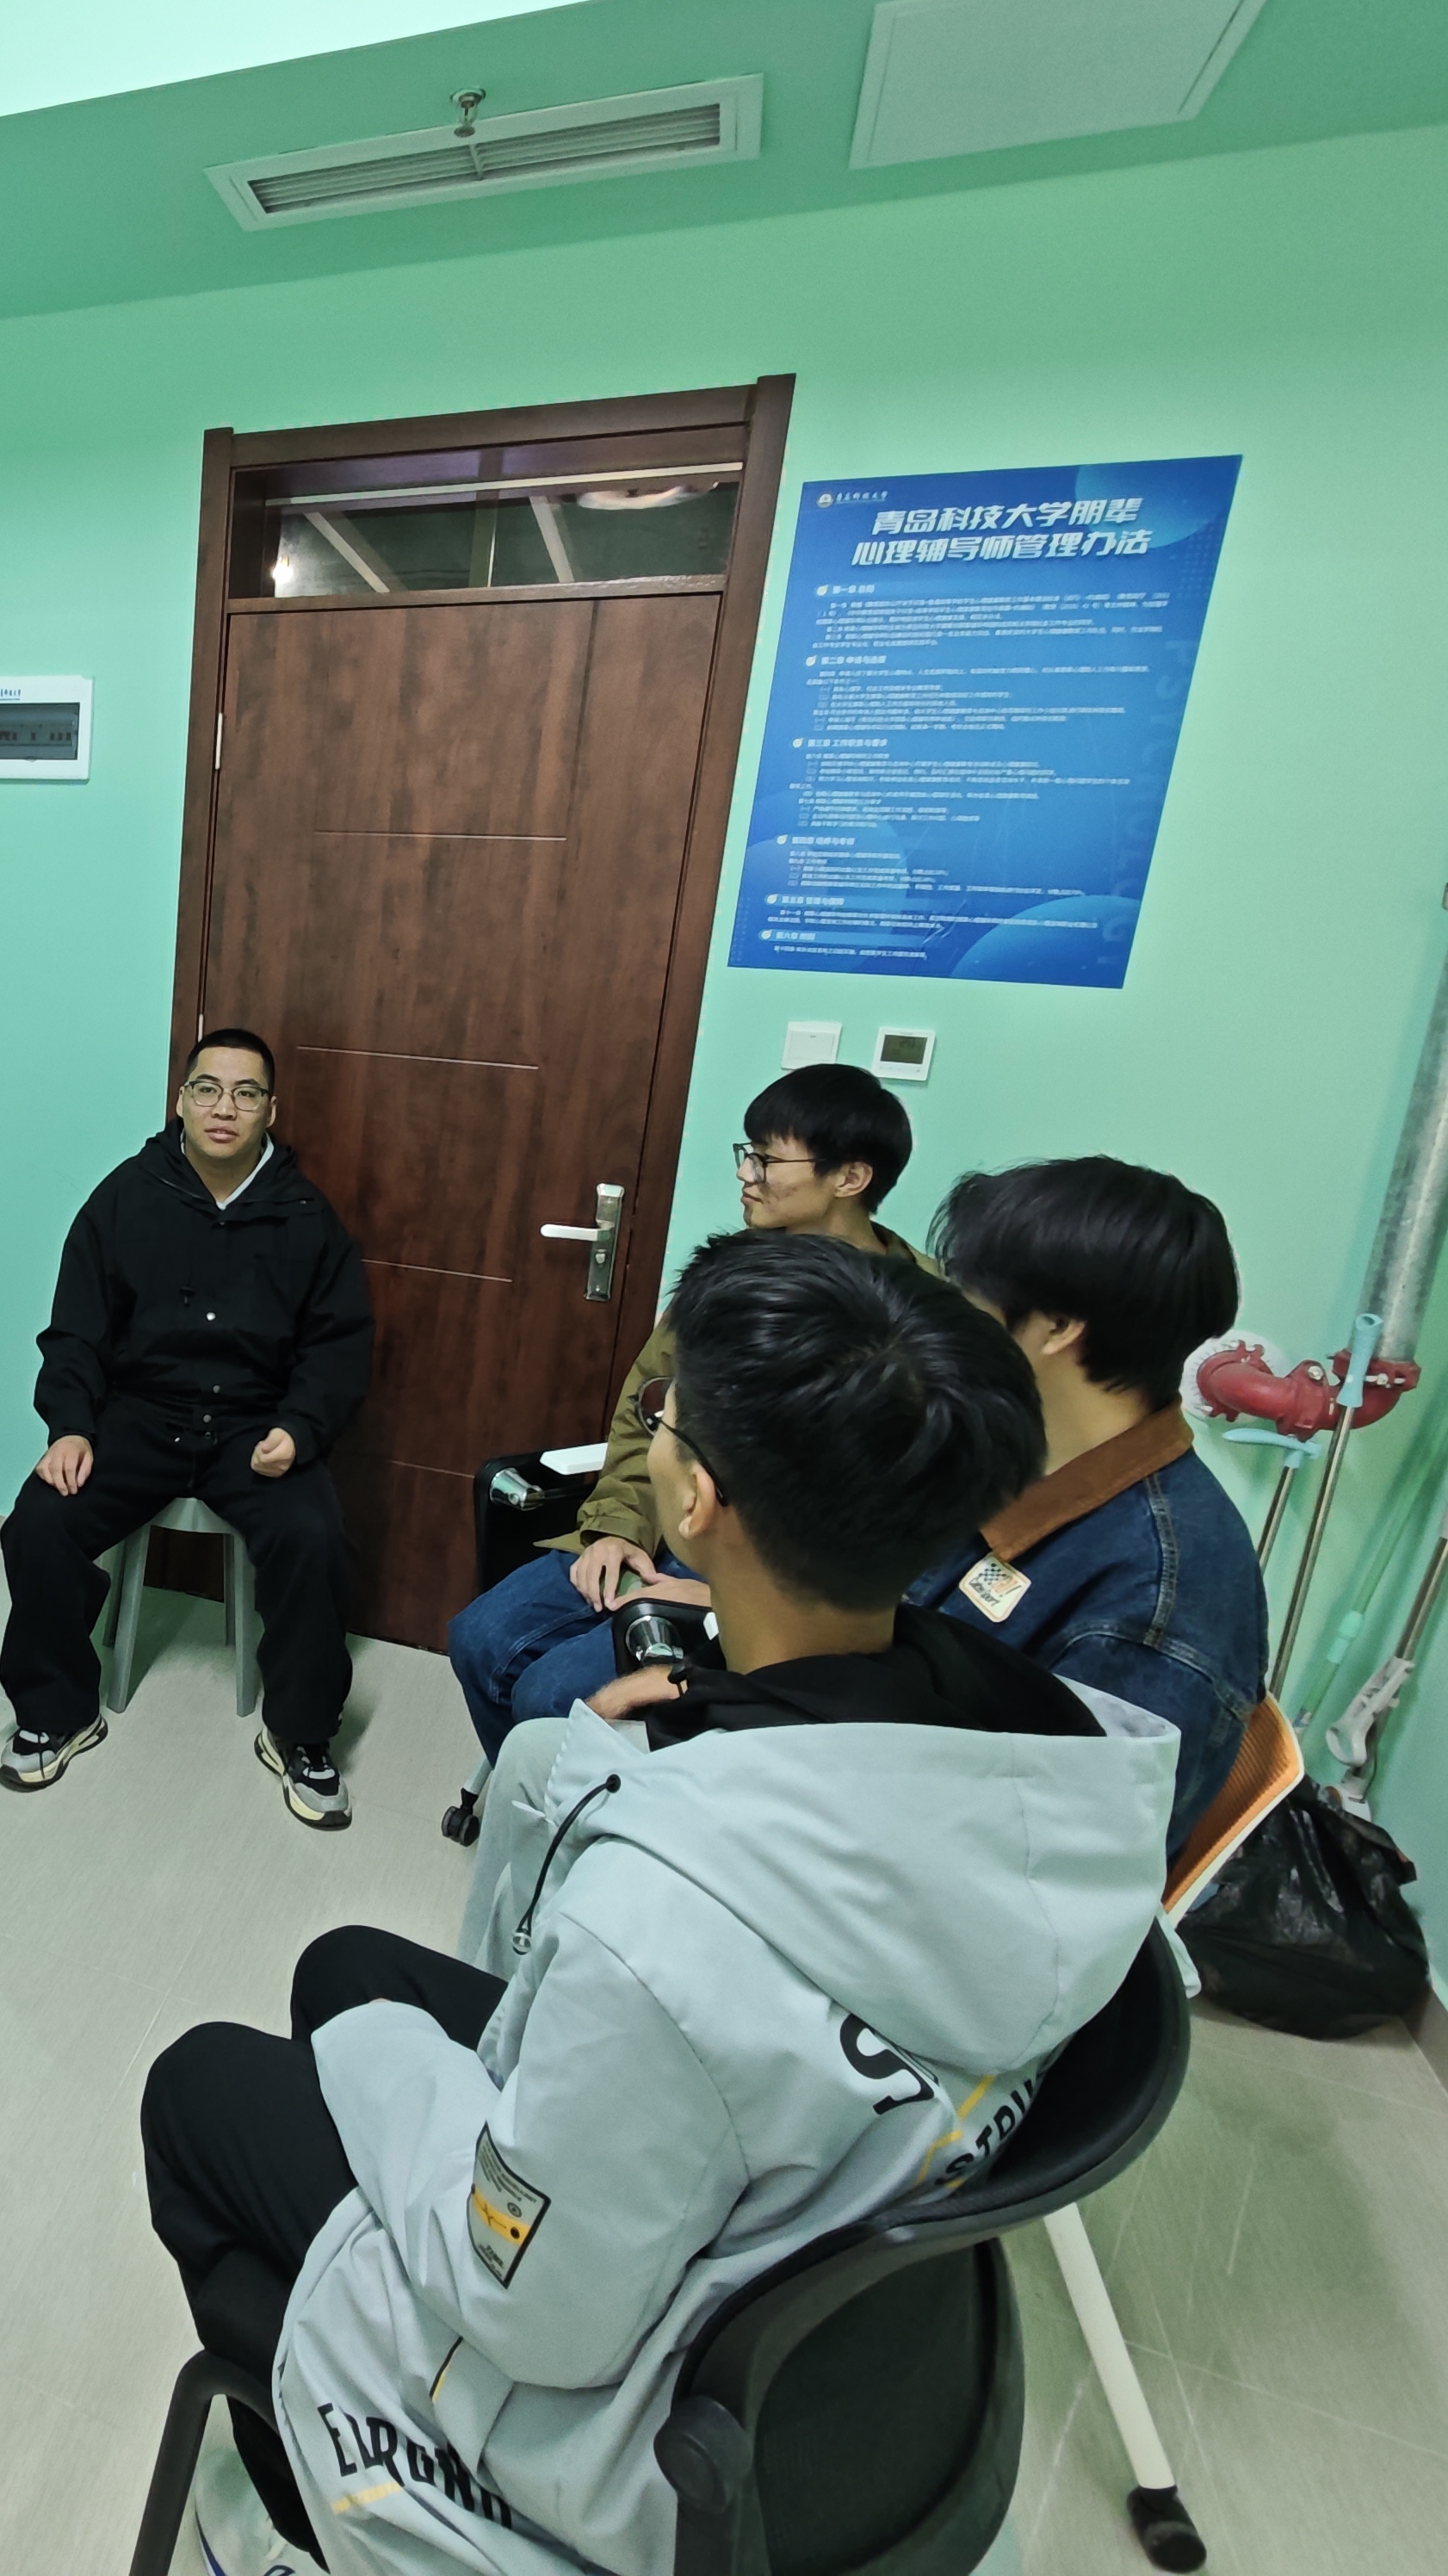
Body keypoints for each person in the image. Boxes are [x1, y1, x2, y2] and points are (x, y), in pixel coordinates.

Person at [137, 1229, 1173, 2575]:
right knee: (341, 1963)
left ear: (697, 1497)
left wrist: (383, 2064)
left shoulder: (665, 1923)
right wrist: (714, 1712)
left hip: (643, 2418)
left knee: (205, 2085)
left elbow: (531, 2311)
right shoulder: (1052, 1741)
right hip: (851, 2292)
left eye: (668, 1422)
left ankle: (315, 2515)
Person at [443, 1062, 936, 1806]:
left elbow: (901, 1507)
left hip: (786, 1588)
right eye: (747, 1152)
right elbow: (647, 1410)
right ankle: (541, 1811)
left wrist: (729, 1589)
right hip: (668, 1530)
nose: (746, 1174)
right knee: (481, 1638)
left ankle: (589, 1833)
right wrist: (616, 1526)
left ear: (851, 1177)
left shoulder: (922, 1319)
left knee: (554, 1692)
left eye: (767, 1159)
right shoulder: (728, 1277)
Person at [0, 1029, 374, 1827]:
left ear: (271, 1110)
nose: (224, 1108)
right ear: (182, 1100)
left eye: (245, 1093)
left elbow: (338, 1347)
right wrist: (71, 1426)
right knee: (39, 1521)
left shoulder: (307, 1216)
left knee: (315, 1536)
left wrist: (302, 1429)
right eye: (208, 1089)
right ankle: (58, 1711)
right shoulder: (125, 1196)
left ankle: (300, 1732)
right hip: (140, 1417)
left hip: (254, 1426)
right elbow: (75, 1332)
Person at [913, 1155, 1265, 1843]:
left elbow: (1046, 1864)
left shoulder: (1154, 1605)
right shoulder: (1011, 1452)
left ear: (1056, 1327)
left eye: (963, 1295)